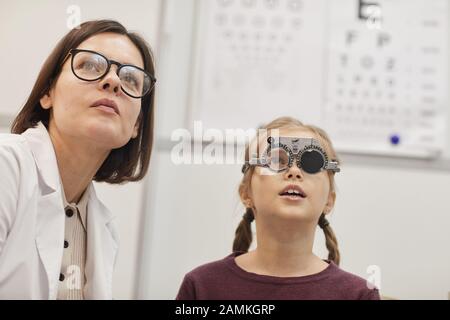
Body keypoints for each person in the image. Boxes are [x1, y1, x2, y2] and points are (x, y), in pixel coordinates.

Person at [0, 19, 156, 299]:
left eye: (131, 79)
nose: (113, 81)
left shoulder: (104, 231)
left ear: (136, 126)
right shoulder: (6, 166)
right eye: (91, 65)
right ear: (48, 93)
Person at [176, 116, 380, 300]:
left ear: (329, 200)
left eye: (311, 162)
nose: (293, 171)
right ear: (247, 193)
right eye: (275, 160)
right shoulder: (202, 287)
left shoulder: (358, 295)